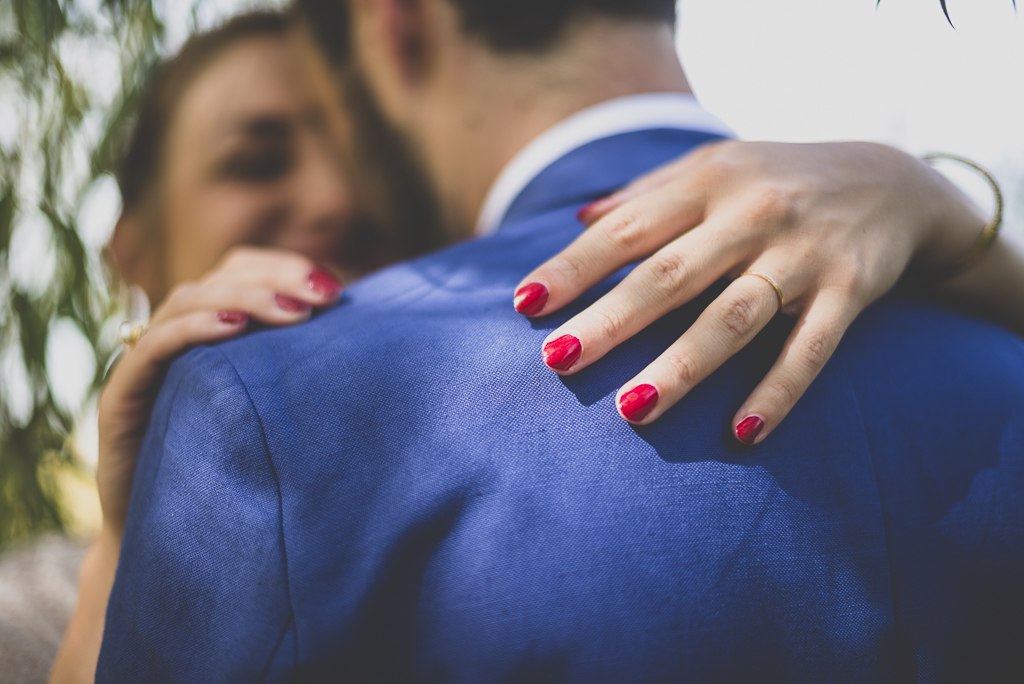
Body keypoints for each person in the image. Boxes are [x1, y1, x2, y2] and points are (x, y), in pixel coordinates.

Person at [63, 0, 1023, 681]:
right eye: (261, 157)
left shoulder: (272, 421)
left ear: (395, 24)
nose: (331, 197)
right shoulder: (988, 337)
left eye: (341, 134)